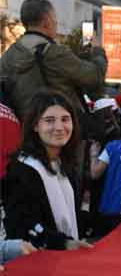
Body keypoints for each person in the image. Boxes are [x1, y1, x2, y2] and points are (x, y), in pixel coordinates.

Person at [2, 91, 92, 250]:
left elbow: (73, 219)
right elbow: (22, 224)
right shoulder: (22, 169)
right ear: (35, 125)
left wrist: (116, 221)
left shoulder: (64, 164)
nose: (59, 127)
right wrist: (63, 243)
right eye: (50, 120)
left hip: (65, 262)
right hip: (35, 264)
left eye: (65, 119)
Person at [0, 0, 106, 121]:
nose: (56, 22)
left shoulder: (8, 56)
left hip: (25, 129)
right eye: (54, 17)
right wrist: (97, 50)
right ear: (47, 21)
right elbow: (94, 77)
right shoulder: (54, 53)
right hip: (58, 129)